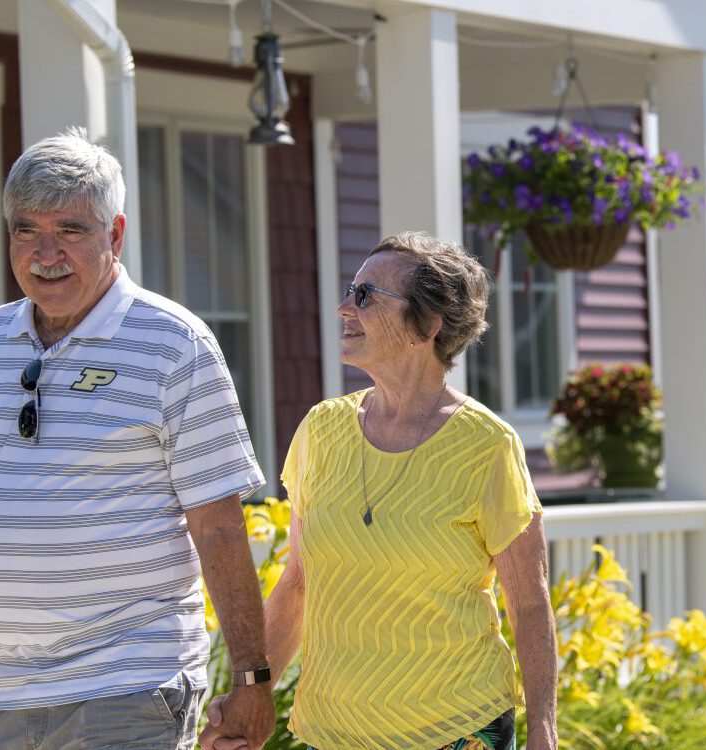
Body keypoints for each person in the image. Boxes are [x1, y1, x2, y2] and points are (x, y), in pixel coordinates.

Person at [0, 128, 276, 750]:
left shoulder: (176, 344)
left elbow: (218, 524)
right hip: (4, 692)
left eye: (70, 230)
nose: (45, 253)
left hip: (131, 681)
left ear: (114, 236)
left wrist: (251, 677)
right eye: (26, 230)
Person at [203, 232, 557, 750]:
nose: (345, 307)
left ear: (428, 325)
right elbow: (298, 584)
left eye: (366, 296)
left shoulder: (487, 446)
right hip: (335, 733)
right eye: (351, 289)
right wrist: (252, 693)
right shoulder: (321, 431)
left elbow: (529, 602)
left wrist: (543, 730)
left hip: (455, 730)